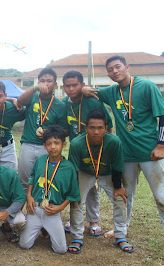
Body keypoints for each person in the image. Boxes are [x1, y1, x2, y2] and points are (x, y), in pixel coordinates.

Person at [83, 55, 164, 260]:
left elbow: (163, 116)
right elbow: (92, 92)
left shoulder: (146, 87)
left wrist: (161, 145)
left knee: (162, 198)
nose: (114, 71)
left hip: (150, 153)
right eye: (110, 69)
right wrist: (84, 89)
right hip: (126, 155)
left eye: (117, 67)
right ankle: (122, 229)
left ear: (127, 67)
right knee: (125, 195)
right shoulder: (112, 92)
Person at [68, 109, 133, 253]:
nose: (96, 132)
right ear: (86, 128)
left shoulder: (114, 141)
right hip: (85, 173)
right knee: (76, 200)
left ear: (106, 128)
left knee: (121, 199)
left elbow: (117, 166)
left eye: (100, 128)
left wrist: (118, 186)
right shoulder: (76, 143)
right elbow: (73, 170)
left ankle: (120, 235)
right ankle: (77, 236)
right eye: (92, 127)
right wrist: (73, 191)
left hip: (107, 174)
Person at [62, 70, 114, 236]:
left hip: (97, 151)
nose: (71, 89)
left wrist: (107, 148)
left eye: (75, 85)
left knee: (94, 187)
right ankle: (74, 219)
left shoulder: (93, 101)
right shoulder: (64, 104)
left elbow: (109, 125)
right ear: (63, 87)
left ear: (82, 85)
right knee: (77, 185)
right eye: (67, 86)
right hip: (77, 152)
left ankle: (93, 220)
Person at [19, 125, 80, 254]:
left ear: (64, 144)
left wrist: (60, 207)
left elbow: (73, 194)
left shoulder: (69, 167)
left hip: (53, 211)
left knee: (61, 250)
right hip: (35, 209)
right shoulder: (41, 161)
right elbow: (32, 179)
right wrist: (29, 196)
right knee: (24, 245)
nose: (53, 147)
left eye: (56, 143)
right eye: (49, 144)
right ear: (45, 146)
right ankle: (39, 228)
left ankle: (48, 228)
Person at [17, 67, 67, 192]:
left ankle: (42, 206)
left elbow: (65, 130)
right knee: (24, 181)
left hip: (47, 146)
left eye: (49, 81)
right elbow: (20, 101)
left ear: (55, 84)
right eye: (42, 80)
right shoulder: (32, 97)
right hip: (28, 143)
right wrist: (34, 88)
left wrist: (50, 132)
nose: (45, 83)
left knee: (45, 179)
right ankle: (25, 209)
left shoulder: (59, 105)